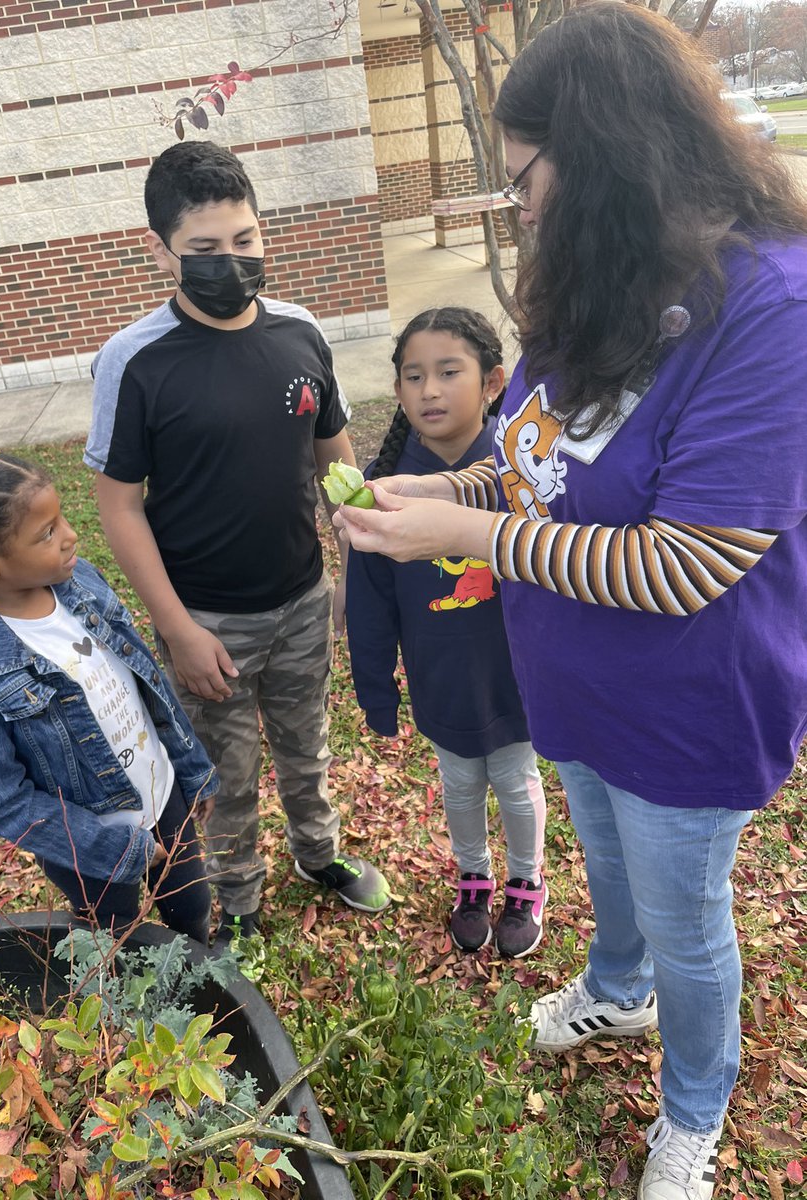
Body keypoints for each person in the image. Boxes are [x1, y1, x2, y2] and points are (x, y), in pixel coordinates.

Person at [334, 4, 807, 1197]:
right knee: (608, 866)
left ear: (601, 157)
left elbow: (686, 564)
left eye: (525, 177)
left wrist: (465, 530)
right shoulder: (595, 283)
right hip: (570, 680)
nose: (521, 206)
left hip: (686, 703)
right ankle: (615, 987)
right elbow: (529, 464)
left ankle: (692, 1110)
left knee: (689, 921)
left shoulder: (771, 310)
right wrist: (440, 488)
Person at [83, 141, 390, 947]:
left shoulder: (301, 332)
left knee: (307, 747)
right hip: (206, 619)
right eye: (206, 248)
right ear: (161, 252)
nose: (233, 260)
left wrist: (353, 573)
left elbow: (336, 464)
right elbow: (119, 507)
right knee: (227, 772)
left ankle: (318, 854)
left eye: (246, 238)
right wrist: (179, 630)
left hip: (303, 598)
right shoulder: (133, 360)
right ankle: (242, 901)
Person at [0, 449, 217, 944]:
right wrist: (118, 851)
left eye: (62, 519)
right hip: (90, 851)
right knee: (114, 944)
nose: (71, 536)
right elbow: (5, 801)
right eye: (47, 532)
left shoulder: (80, 582)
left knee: (193, 908)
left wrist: (192, 769)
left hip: (165, 799)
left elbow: (147, 685)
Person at [346, 307, 546, 957]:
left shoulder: (524, 475)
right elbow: (369, 603)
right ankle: (474, 876)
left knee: (516, 782)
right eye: (414, 376)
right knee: (459, 785)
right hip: (441, 678)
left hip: (515, 677)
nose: (429, 390)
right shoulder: (383, 488)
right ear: (398, 390)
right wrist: (376, 691)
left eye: (448, 372)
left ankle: (526, 879)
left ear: (493, 382)